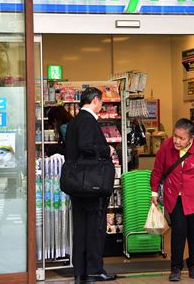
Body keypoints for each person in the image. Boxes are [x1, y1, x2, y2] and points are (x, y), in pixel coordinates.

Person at [150, 118, 194, 282]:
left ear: (191, 138)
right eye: (175, 136)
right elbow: (157, 171)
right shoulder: (166, 147)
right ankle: (176, 268)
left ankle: (193, 266)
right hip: (175, 197)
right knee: (178, 233)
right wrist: (154, 193)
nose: (176, 141)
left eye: (181, 138)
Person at [65, 87, 117, 283]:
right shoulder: (88, 121)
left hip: (76, 184)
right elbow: (86, 146)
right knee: (95, 227)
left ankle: (80, 271)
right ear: (95, 100)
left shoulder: (74, 123)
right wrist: (107, 149)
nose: (101, 106)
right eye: (101, 102)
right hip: (91, 184)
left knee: (80, 228)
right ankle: (94, 269)